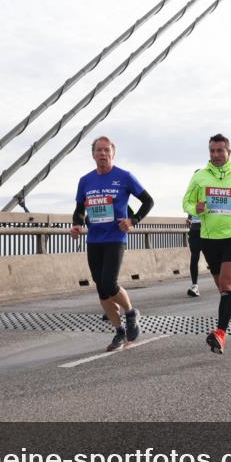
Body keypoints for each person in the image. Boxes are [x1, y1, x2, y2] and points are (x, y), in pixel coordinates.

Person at [71, 135, 154, 351]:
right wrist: (77, 225)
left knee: (109, 283)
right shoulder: (85, 181)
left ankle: (130, 312)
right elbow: (79, 210)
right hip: (94, 239)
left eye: (107, 150)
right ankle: (119, 331)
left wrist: (133, 220)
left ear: (113, 154)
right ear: (93, 155)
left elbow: (148, 201)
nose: (103, 154)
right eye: (99, 150)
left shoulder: (124, 177)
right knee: (101, 288)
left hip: (116, 238)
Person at [182, 133, 231, 354]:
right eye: (212, 151)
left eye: (220, 151)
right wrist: (195, 208)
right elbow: (186, 202)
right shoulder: (200, 177)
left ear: (229, 152)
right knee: (224, 288)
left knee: (226, 284)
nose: (215, 155)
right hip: (209, 237)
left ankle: (221, 333)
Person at [186, 212, 201, 297]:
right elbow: (190, 215)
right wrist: (189, 220)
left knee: (212, 259)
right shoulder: (193, 204)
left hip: (208, 231)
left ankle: (224, 284)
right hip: (194, 231)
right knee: (194, 257)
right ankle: (194, 286)